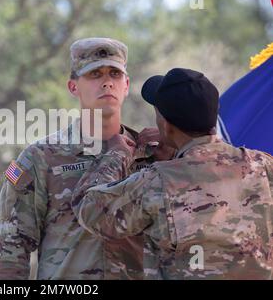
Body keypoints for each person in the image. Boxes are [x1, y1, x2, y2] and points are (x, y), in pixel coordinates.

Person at [72, 67, 273, 279]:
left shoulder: (157, 181)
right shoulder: (262, 165)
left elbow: (90, 210)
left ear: (166, 126)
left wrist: (116, 154)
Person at [0, 37, 162, 280]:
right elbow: (11, 249)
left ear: (126, 85)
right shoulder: (40, 158)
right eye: (95, 74)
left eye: (114, 73)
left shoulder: (152, 154)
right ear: (73, 87)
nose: (107, 83)